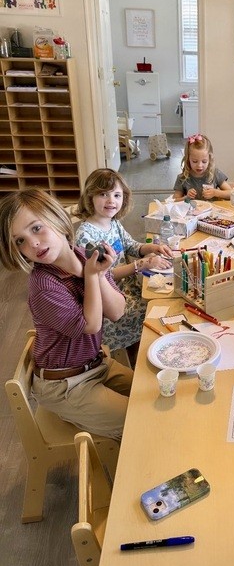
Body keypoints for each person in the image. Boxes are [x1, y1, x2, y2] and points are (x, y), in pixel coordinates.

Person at [0, 188, 133, 440]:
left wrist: (99, 275)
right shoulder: (43, 286)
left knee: (155, 392)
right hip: (65, 386)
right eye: (20, 241)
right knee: (142, 422)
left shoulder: (84, 255)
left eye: (36, 228)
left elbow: (117, 311)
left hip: (96, 366)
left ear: (58, 218)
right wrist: (92, 275)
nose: (33, 243)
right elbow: (91, 325)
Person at [74, 168, 172, 359]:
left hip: (128, 287)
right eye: (103, 194)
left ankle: (143, 349)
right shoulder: (86, 236)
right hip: (108, 300)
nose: (111, 200)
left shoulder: (112, 222)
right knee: (155, 308)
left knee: (162, 296)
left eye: (117, 195)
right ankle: (141, 355)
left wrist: (152, 248)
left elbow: (131, 246)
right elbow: (103, 276)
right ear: (90, 197)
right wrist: (140, 264)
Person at [173, 133, 232, 201]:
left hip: (212, 208)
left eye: (204, 161)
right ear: (188, 159)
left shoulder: (215, 173)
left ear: (209, 159)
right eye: (195, 161)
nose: (199, 165)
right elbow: (174, 200)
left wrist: (215, 192)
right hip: (192, 208)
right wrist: (186, 197)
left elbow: (232, 193)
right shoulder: (182, 178)